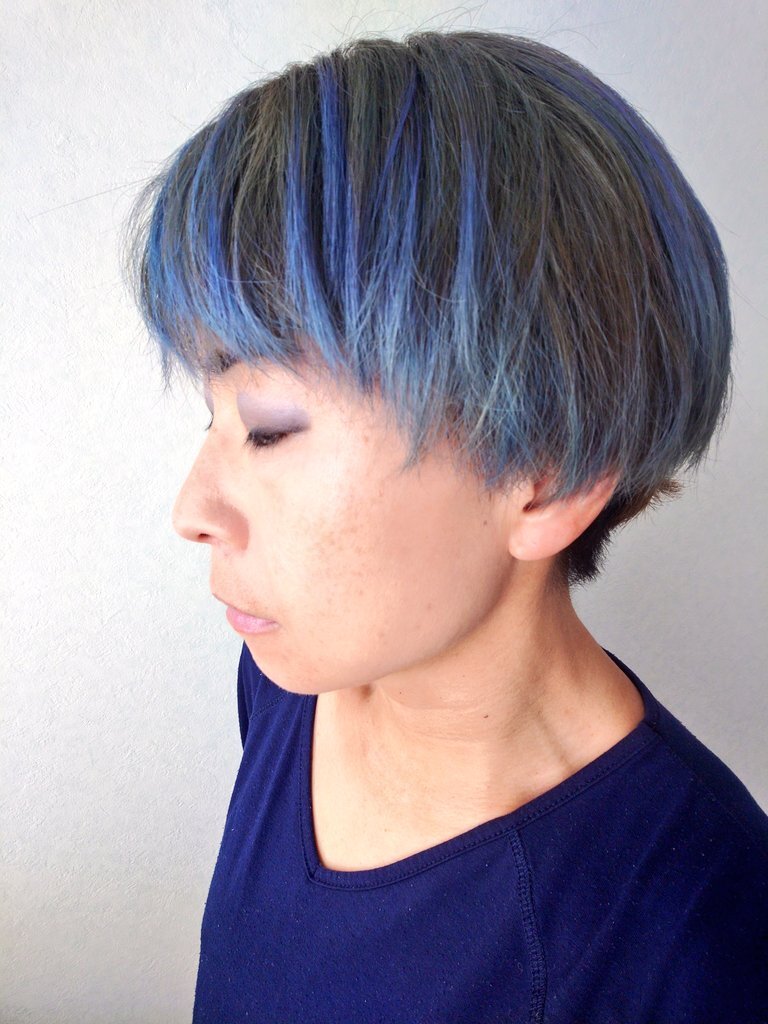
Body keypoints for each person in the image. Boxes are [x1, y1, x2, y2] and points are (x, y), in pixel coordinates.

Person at [122, 28, 768, 1023]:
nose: (192, 510)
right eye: (214, 421)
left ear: (543, 478)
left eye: (270, 427)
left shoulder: (701, 938)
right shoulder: (289, 680)